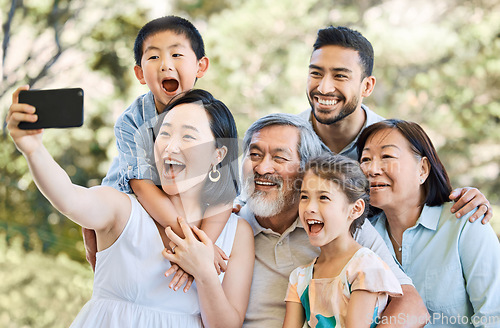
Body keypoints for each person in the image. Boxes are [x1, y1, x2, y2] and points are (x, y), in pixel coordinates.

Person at [7, 88, 254, 327]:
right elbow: (70, 198)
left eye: (188, 136)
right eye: (164, 133)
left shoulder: (236, 232)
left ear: (218, 155)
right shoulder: (123, 208)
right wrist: (33, 149)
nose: (170, 147)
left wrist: (204, 273)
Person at [239, 113, 429, 328]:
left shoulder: (343, 224)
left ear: (306, 171)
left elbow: (412, 306)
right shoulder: (229, 225)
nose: (262, 169)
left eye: (279, 158)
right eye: (254, 155)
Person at [85, 16, 232, 285]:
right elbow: (140, 187)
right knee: (97, 243)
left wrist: (203, 246)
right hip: (131, 194)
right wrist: (192, 241)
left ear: (201, 66)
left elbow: (226, 191)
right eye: (153, 58)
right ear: (140, 73)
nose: (165, 65)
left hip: (177, 202)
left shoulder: (210, 116)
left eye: (176, 54)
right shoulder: (132, 121)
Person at [298, 25, 493, 223]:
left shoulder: (392, 142)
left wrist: (470, 198)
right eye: (316, 74)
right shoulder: (286, 138)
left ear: (367, 86)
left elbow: (429, 200)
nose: (324, 87)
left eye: (340, 76)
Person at [357, 119, 500, 327]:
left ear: (422, 169)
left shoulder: (465, 224)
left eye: (387, 156)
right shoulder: (362, 238)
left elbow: (493, 317)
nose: (371, 169)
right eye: (366, 159)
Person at [283, 154, 403, 328]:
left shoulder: (365, 268)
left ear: (355, 209)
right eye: (304, 197)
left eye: (323, 197)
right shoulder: (299, 278)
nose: (309, 208)